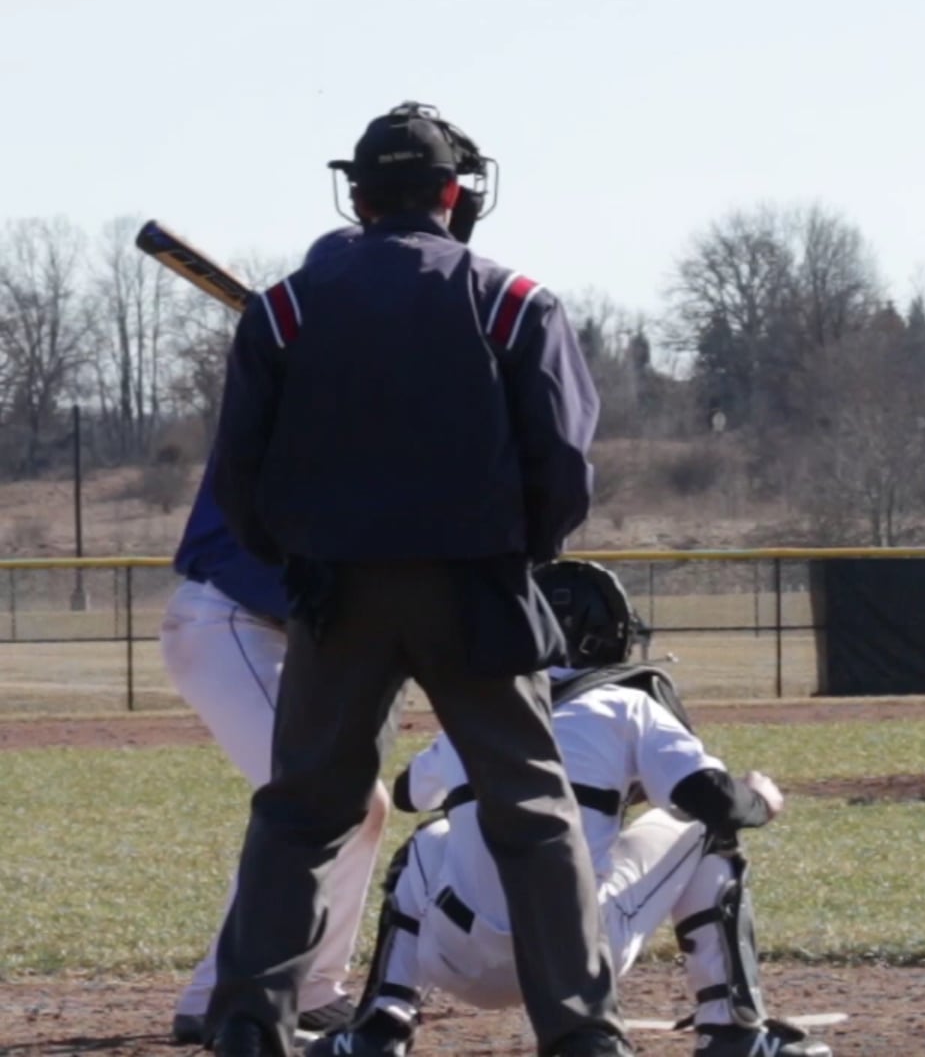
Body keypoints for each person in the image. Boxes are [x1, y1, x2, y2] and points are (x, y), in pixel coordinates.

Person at [200, 101, 629, 1057]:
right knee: (531, 808)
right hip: (474, 586)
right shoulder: (512, 299)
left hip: (336, 590)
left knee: (303, 810)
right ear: (451, 192)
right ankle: (581, 1032)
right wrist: (523, 553)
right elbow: (563, 462)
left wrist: (302, 562)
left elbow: (238, 476)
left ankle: (245, 1022)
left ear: (356, 196)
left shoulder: (285, 307)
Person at [310, 560, 833, 1057]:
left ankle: (380, 1025)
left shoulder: (481, 704)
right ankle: (733, 1031)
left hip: (458, 960)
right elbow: (717, 804)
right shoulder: (627, 705)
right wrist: (761, 798)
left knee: (431, 837)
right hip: (576, 962)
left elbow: (407, 795)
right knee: (702, 830)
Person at [161, 228, 376, 1049]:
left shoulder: (334, 379)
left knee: (356, 805)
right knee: (319, 802)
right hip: (225, 620)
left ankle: (311, 981)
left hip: (262, 627)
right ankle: (222, 991)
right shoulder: (289, 380)